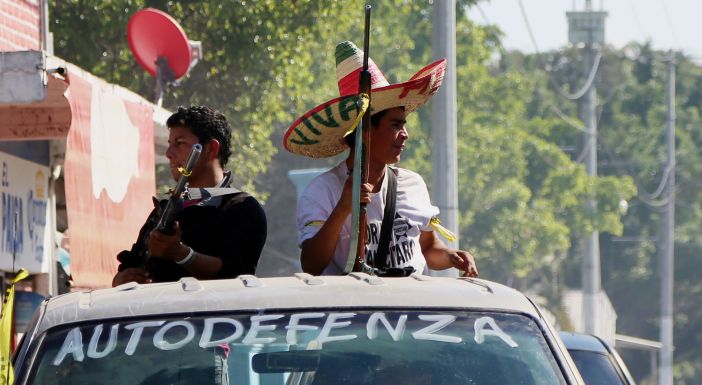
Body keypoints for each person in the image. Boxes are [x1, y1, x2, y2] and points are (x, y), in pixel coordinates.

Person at [284, 41, 478, 277]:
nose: (405, 134)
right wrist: (344, 207)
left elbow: (428, 248)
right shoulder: (322, 191)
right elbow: (312, 265)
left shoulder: (413, 184)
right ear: (364, 130)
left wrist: (452, 256)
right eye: (396, 125)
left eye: (403, 125)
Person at [113, 105, 267, 286]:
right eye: (170, 144)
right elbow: (125, 271)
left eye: (179, 143)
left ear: (211, 149)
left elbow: (236, 277)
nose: (169, 154)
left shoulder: (242, 209)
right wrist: (122, 280)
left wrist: (180, 253)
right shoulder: (164, 210)